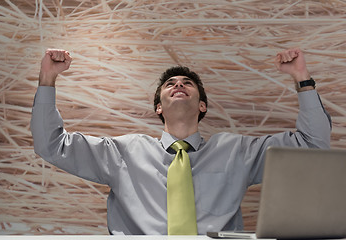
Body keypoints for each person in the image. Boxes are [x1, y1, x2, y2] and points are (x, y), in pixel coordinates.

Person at [31, 47, 331, 235]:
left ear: (202, 106)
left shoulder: (236, 151)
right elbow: (51, 145)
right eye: (170, 84)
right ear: (158, 107)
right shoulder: (123, 152)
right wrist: (47, 80)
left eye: (188, 83)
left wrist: (302, 78)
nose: (178, 85)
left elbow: (312, 143)